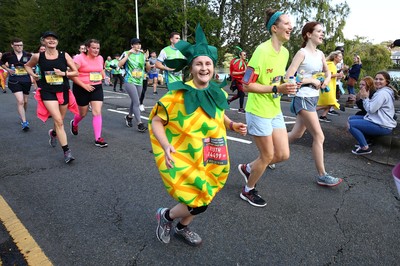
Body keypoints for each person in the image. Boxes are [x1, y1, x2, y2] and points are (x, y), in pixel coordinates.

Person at [151, 24, 247, 246]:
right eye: (199, 63)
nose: (204, 68)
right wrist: (165, 146)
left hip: (214, 153)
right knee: (198, 200)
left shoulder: (217, 91)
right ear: (191, 67)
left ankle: (182, 227)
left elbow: (218, 115)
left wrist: (232, 125)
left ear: (213, 68)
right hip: (188, 155)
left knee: (207, 196)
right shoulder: (177, 95)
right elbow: (157, 120)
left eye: (208, 64)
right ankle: (166, 216)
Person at [237, 9, 297, 207]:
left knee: (282, 154)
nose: (291, 27)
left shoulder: (286, 52)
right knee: (268, 155)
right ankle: (248, 190)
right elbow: (246, 85)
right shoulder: (261, 51)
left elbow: (278, 80)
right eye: (287, 24)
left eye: (291, 24)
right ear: (274, 28)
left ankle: (248, 168)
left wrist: (287, 86)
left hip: (274, 109)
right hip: (258, 110)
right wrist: (275, 88)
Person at [285, 21, 343, 187]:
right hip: (302, 97)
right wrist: (310, 80)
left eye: (323, 31)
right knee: (319, 136)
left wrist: (326, 79)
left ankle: (272, 152)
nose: (322, 34)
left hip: (313, 98)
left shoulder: (321, 54)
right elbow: (289, 76)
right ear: (308, 34)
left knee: (296, 134)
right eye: (319, 31)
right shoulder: (301, 53)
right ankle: (322, 175)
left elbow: (327, 71)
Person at [24, 31, 79, 163]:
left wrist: (64, 73)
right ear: (43, 41)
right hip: (48, 91)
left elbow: (75, 72)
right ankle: (67, 152)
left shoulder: (64, 55)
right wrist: (33, 74)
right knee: (59, 121)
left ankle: (53, 133)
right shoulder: (38, 56)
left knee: (60, 120)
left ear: (57, 42)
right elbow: (27, 65)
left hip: (63, 90)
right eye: (48, 39)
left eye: (53, 39)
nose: (51, 41)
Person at [69, 39, 108, 148]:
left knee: (97, 111)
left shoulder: (100, 58)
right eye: (94, 48)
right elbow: (71, 74)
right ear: (87, 48)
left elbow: (100, 69)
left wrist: (105, 77)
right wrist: (84, 85)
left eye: (98, 48)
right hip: (81, 87)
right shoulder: (79, 58)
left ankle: (98, 138)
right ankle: (74, 123)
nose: (96, 50)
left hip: (97, 86)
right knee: (83, 113)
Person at [348, 71, 398, 155]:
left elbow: (370, 109)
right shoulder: (383, 91)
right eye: (376, 79)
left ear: (386, 82)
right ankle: (366, 140)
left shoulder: (382, 94)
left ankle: (364, 147)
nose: (378, 81)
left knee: (350, 124)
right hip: (380, 120)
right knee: (351, 118)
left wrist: (365, 98)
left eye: (381, 79)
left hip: (383, 125)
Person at [118, 38, 149, 132]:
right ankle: (139, 123)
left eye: (139, 44)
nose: (138, 46)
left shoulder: (142, 55)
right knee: (137, 102)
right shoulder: (126, 53)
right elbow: (119, 64)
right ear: (132, 45)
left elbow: (147, 69)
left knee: (135, 101)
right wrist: (128, 54)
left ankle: (129, 117)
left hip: (139, 80)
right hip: (129, 80)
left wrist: (146, 59)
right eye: (136, 44)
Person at [1, 38, 33, 131]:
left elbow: (32, 65)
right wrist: (8, 69)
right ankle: (24, 122)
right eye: (17, 45)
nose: (19, 47)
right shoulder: (8, 55)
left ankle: (22, 114)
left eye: (21, 45)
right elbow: (1, 62)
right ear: (12, 45)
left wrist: (32, 75)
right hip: (14, 80)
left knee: (25, 102)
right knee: (20, 101)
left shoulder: (28, 55)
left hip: (26, 80)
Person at [317, 50, 345, 122]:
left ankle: (323, 116)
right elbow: (328, 75)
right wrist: (337, 75)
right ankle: (310, 111)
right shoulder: (331, 65)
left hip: (331, 86)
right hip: (328, 86)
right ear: (335, 57)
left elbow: (333, 76)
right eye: (339, 57)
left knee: (330, 103)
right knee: (330, 103)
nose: (341, 58)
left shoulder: (332, 65)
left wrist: (339, 76)